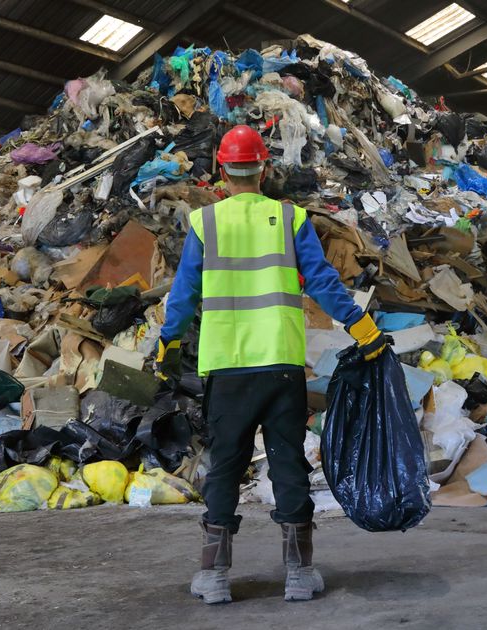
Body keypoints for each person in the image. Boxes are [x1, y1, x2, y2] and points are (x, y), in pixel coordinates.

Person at [154, 124, 386, 604]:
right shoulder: (290, 218)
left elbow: (182, 297)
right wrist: (361, 327)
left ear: (222, 169)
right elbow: (322, 282)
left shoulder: (205, 223)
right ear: (266, 169)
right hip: (280, 365)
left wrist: (168, 346)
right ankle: (299, 575)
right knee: (288, 463)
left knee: (225, 467)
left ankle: (215, 577)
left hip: (227, 366)